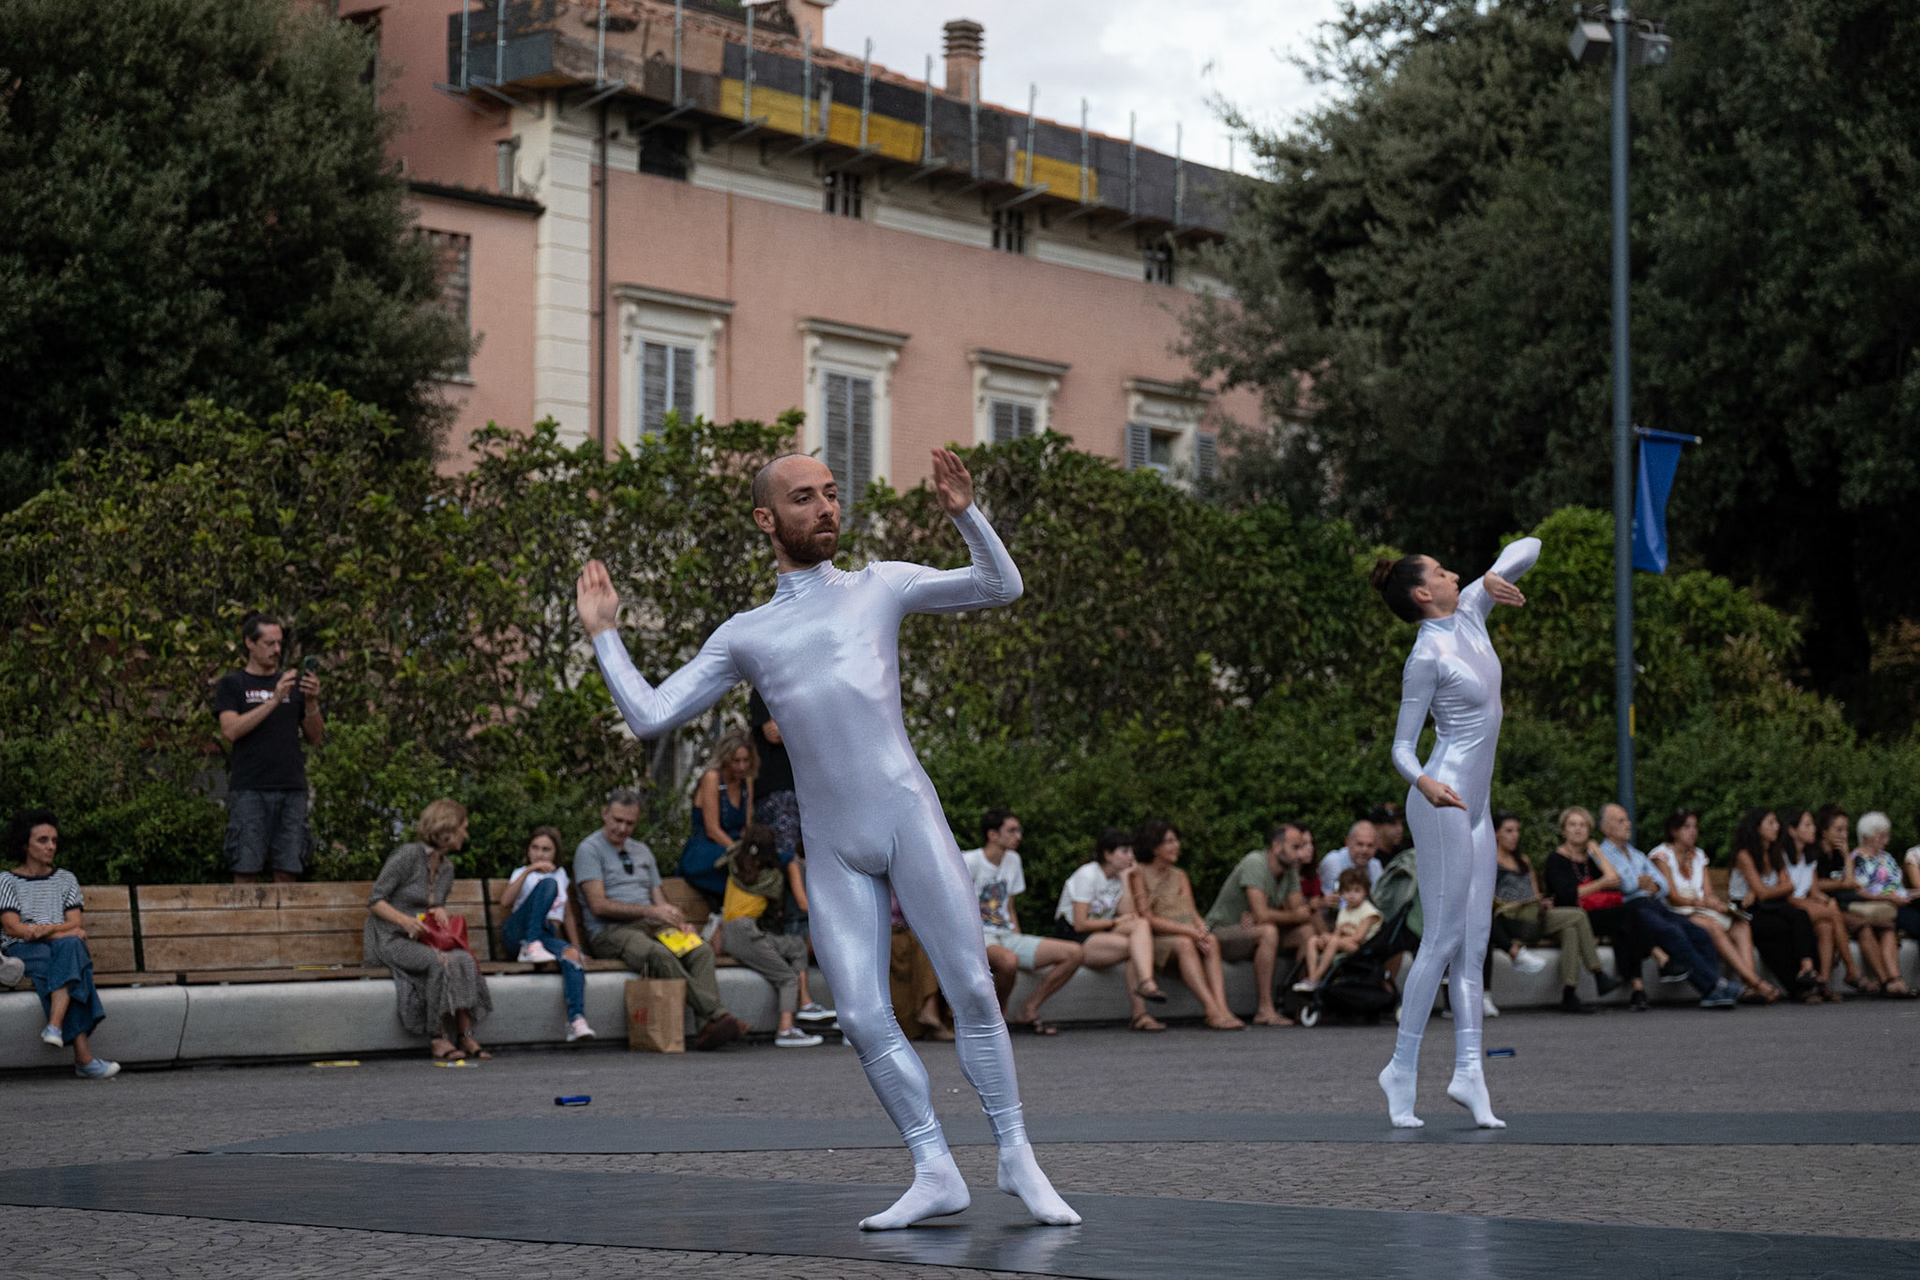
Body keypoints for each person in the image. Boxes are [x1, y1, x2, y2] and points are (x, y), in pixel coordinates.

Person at [576, 447, 1077, 1229]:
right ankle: (934, 1168)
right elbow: (650, 714)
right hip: (833, 848)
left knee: (975, 989)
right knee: (863, 1017)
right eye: (805, 498)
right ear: (766, 519)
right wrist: (606, 636)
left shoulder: (881, 585)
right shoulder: (746, 635)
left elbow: (998, 586)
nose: (826, 508)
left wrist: (965, 516)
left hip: (907, 817)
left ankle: (1017, 1157)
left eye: (832, 493)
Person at [1371, 536, 1537, 1130]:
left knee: (1474, 943)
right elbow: (1401, 747)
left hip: (1477, 804)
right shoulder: (1425, 657)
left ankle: (1470, 1072)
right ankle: (1400, 1068)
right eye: (1442, 571)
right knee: (1441, 940)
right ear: (1423, 592)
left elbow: (1530, 546)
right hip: (1442, 798)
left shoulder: (1469, 608)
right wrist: (1424, 783)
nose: (1455, 575)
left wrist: (1494, 577)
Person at [574, 789, 746, 1052]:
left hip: (652, 926)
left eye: (630, 823)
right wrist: (651, 912)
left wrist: (678, 921)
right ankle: (717, 1014)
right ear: (604, 814)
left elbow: (660, 901)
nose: (622, 828)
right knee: (659, 955)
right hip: (611, 931)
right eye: (617, 820)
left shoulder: (641, 850)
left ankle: (707, 1030)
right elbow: (598, 905)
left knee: (700, 951)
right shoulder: (589, 850)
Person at [365, 799, 494, 1061]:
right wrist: (403, 920)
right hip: (390, 939)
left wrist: (439, 910)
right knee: (439, 962)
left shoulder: (446, 868)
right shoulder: (408, 856)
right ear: (448, 828)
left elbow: (434, 904)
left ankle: (465, 1035)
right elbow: (375, 900)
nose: (466, 835)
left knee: (464, 959)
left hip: (423, 939)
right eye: (463, 828)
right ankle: (437, 1036)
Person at [0, 810, 118, 1079]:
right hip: (23, 950)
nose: (51, 846)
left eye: (54, 840)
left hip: (59, 945)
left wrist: (48, 931)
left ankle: (55, 1025)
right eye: (42, 840)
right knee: (70, 962)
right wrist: (57, 933)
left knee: (71, 949)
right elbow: (13, 928)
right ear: (24, 844)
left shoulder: (65, 879)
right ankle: (84, 1058)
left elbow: (74, 921)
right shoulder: (6, 881)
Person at [1594, 803, 1741, 1010]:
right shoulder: (1601, 854)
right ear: (1605, 828)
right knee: (1672, 932)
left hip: (1654, 905)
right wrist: (1639, 883)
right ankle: (1713, 987)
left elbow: (1662, 885)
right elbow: (1624, 885)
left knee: (1699, 933)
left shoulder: (1635, 854)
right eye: (1621, 820)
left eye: (1627, 819)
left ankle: (1714, 989)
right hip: (1632, 909)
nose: (1628, 824)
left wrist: (1647, 884)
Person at [213, 612, 323, 884]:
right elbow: (231, 730)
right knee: (245, 867)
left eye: (279, 643)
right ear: (250, 643)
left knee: (289, 869)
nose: (276, 650)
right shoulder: (232, 684)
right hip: (250, 788)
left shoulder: (293, 686)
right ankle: (246, 915)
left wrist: (311, 702)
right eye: (269, 643)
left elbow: (315, 737)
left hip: (291, 788)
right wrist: (274, 700)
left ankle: (284, 915)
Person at [963, 809, 1084, 1036]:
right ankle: (998, 1015)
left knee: (1074, 953)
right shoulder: (970, 861)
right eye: (1011, 830)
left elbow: (1009, 906)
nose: (1018, 836)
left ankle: (1029, 1009)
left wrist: (1017, 937)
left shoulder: (1013, 860)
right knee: (1009, 961)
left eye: (1019, 830)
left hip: (1006, 934)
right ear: (992, 835)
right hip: (979, 935)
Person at [1489, 812, 1620, 1014]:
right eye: (1509, 831)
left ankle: (1569, 994)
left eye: (1517, 831)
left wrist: (1542, 903)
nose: (1515, 835)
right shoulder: (1489, 862)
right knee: (1577, 915)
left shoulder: (1523, 861)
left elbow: (1534, 893)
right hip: (1510, 920)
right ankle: (1598, 972)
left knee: (1570, 930)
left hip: (1534, 917)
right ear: (1496, 834)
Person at [719, 824, 834, 1045]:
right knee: (787, 977)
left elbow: (729, 853)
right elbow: (775, 911)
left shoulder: (734, 862)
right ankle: (785, 1030)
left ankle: (806, 1004)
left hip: (734, 930)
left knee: (796, 945)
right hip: (745, 933)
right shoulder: (772, 878)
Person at [1650, 807, 1776, 1003]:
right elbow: (1672, 896)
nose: (1693, 832)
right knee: (1713, 926)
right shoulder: (1662, 855)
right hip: (1676, 912)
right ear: (1674, 831)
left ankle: (1748, 987)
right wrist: (1698, 902)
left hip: (1700, 910)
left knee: (1741, 924)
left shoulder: (1699, 855)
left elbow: (1708, 892)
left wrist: (1715, 903)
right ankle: (1756, 981)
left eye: (1695, 827)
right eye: (1686, 827)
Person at [1203, 822, 1321, 1027]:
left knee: (1306, 932)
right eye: (1295, 847)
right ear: (1276, 846)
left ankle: (1304, 1007)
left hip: (1253, 931)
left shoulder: (1290, 870)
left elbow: (1300, 915)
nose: (1300, 854)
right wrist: (1274, 915)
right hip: (1224, 931)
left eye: (1302, 847)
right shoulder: (1255, 862)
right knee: (1268, 931)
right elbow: (1265, 914)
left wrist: (1273, 915)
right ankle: (1265, 1009)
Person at [1132, 819, 1245, 1031]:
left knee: (1211, 940)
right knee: (1184, 943)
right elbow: (1147, 918)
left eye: (1176, 840)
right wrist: (1189, 932)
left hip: (1187, 932)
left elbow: (1192, 912)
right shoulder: (1139, 873)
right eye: (1169, 841)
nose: (1176, 845)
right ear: (1154, 847)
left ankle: (1223, 1007)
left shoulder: (1180, 875)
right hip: (1159, 939)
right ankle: (1211, 1010)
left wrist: (1201, 929)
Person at [1055, 828, 1167, 1032]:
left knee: (1141, 926)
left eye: (1131, 851)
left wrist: (1125, 879)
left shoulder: (1117, 877)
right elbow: (1080, 924)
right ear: (1107, 854)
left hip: (1100, 935)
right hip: (1074, 938)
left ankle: (1146, 986)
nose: (1131, 856)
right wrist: (1115, 922)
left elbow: (1129, 915)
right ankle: (1141, 1010)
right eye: (1124, 851)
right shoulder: (1087, 875)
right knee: (1136, 947)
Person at [496, 826, 594, 1042]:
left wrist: (577, 946)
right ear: (528, 850)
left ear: (555, 853)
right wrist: (529, 871)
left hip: (545, 936)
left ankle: (576, 1020)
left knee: (572, 955)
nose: (539, 854)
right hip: (517, 933)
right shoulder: (521, 873)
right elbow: (505, 901)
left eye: (546, 849)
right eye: (535, 848)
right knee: (548, 884)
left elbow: (567, 915)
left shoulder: (561, 875)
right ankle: (530, 945)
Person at [1544, 805, 1643, 1008]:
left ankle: (1634, 985)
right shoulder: (1555, 859)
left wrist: (1597, 852)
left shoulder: (1590, 860)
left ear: (1590, 830)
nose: (1578, 829)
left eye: (1583, 825)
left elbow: (1614, 879)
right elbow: (1567, 895)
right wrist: (1600, 884)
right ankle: (1598, 974)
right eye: (1572, 824)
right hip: (1564, 915)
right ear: (1563, 830)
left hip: (1588, 917)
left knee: (1629, 915)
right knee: (1575, 922)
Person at [1727, 808, 1822, 1003]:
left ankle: (1807, 969)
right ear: (1757, 828)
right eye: (1770, 822)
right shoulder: (1745, 855)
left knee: (1800, 916)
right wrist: (1761, 891)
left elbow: (1788, 886)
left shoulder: (1774, 852)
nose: (1777, 827)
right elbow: (1768, 890)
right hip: (1747, 910)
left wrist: (1761, 891)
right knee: (1776, 930)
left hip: (1771, 906)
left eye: (1776, 822)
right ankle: (1798, 988)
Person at [1811, 805, 1897, 994]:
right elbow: (1814, 884)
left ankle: (1891, 979)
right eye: (1838, 830)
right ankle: (1881, 979)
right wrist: (1841, 884)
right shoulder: (1815, 854)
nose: (1843, 835)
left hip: (1844, 904)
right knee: (1863, 926)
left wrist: (1845, 856)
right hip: (1830, 906)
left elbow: (1849, 881)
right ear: (1824, 831)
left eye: (1846, 830)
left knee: (1883, 926)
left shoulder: (1839, 854)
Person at [1779, 807, 1860, 996]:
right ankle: (1851, 968)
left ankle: (1823, 983)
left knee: (1826, 926)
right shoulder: (1782, 856)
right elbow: (1787, 895)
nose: (1813, 829)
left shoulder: (1809, 856)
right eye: (1807, 825)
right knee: (1832, 912)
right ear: (1792, 830)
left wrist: (1826, 900)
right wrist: (1826, 906)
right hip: (1789, 905)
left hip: (1805, 903)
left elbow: (1814, 890)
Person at [750, 687, 808, 938]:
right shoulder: (763, 690)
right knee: (787, 852)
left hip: (801, 795)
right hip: (770, 798)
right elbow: (771, 732)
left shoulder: (802, 689)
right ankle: (794, 916)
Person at [679, 731, 757, 911]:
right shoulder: (712, 778)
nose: (742, 766)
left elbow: (746, 828)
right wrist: (738, 852)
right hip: (706, 848)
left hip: (734, 845)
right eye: (736, 761)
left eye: (746, 760)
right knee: (739, 868)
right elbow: (712, 830)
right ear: (726, 759)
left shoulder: (746, 784)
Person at [1848, 812, 1916, 997]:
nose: (1885, 841)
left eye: (1886, 836)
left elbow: (1898, 887)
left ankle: (1894, 980)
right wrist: (1890, 899)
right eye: (1881, 836)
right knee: (1902, 924)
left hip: (1899, 904)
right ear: (1866, 836)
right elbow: (1858, 891)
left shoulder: (1886, 857)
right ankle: (1892, 981)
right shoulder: (1856, 860)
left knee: (1890, 929)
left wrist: (1910, 894)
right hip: (1884, 907)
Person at [1292, 869, 1384, 991]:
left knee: (1334, 941)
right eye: (1347, 891)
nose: (1351, 895)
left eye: (1357, 891)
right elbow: (1338, 931)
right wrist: (1326, 939)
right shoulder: (1344, 911)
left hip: (1361, 948)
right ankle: (1312, 976)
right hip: (1342, 943)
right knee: (1313, 940)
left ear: (1365, 892)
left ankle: (1314, 979)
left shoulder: (1368, 912)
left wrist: (1332, 939)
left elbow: (1358, 938)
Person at [1318, 821, 1383, 898]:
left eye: (1370, 845)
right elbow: (1336, 900)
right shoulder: (1334, 861)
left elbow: (1379, 898)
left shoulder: (1375, 865)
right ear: (1347, 843)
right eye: (1360, 844)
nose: (1365, 850)